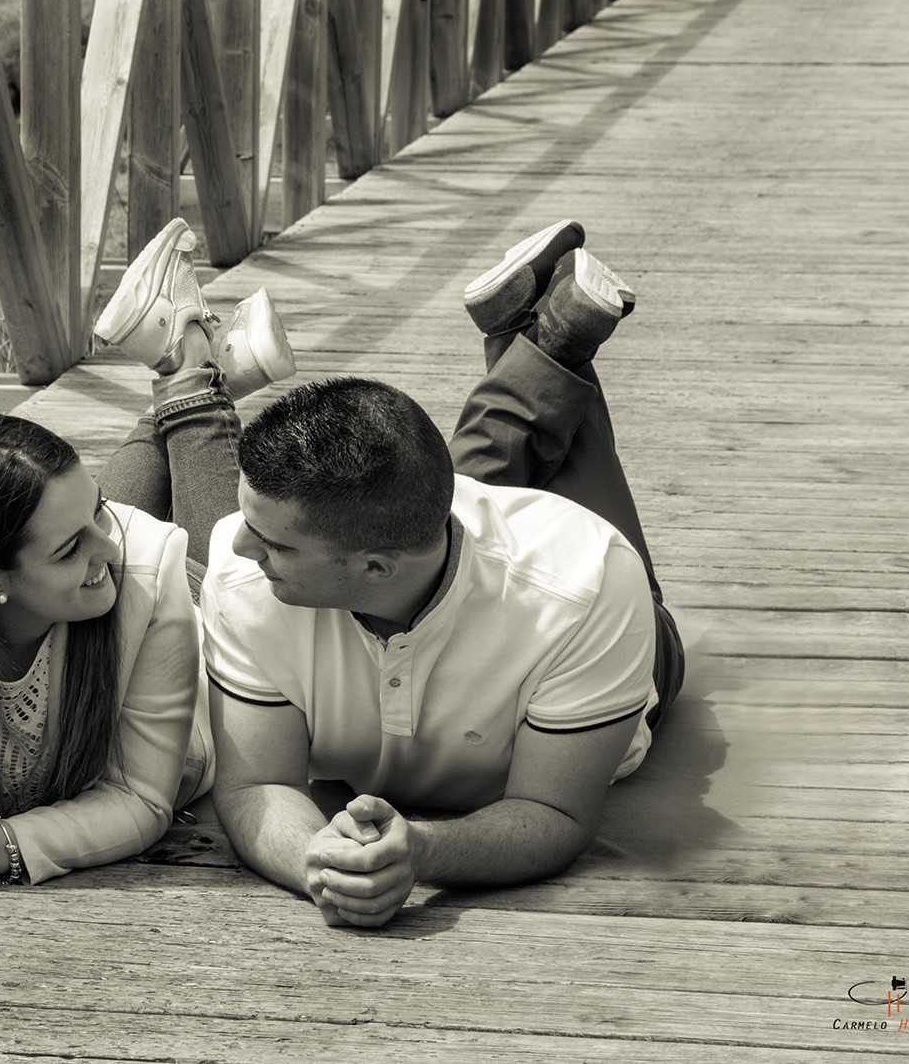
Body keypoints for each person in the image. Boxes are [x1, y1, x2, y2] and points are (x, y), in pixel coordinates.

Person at [200, 218, 685, 927]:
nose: (238, 549)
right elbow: (255, 787)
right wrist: (321, 864)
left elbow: (553, 811)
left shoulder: (583, 581)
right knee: (413, 493)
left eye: (271, 542)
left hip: (617, 641)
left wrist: (420, 852)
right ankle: (544, 340)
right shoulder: (249, 575)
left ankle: (554, 343)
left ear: (372, 567)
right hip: (427, 542)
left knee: (596, 556)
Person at [0, 217, 295, 888]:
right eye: (76, 543)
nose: (113, 542)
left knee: (231, 571)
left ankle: (193, 370)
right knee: (72, 524)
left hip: (187, 641)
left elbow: (139, 799)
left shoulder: (142, 560)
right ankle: (193, 370)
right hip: (70, 582)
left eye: (102, 513)